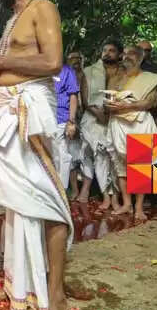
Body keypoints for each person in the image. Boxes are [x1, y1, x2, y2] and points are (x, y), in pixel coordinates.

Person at [0, 0, 71, 310]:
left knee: (47, 200)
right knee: (18, 204)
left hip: (29, 114)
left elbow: (52, 63)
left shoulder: (42, 8)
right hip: (7, 112)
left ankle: (56, 294)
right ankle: (19, 286)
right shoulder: (13, 19)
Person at [104, 45, 157, 221]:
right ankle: (127, 204)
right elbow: (107, 100)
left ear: (140, 58)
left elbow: (150, 103)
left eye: (131, 54)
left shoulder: (151, 79)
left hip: (139, 123)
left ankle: (138, 207)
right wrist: (110, 106)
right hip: (118, 123)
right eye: (125, 54)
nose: (126, 57)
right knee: (120, 166)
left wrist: (128, 105)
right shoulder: (116, 77)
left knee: (141, 167)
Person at [80, 40, 123, 211]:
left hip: (118, 118)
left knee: (116, 159)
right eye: (105, 50)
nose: (107, 53)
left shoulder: (125, 72)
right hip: (93, 119)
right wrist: (98, 114)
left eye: (112, 50)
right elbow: (85, 99)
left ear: (120, 54)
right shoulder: (89, 71)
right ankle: (106, 196)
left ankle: (116, 198)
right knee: (100, 157)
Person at [53, 59, 80, 192]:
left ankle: (61, 191)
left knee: (61, 155)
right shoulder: (40, 69)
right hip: (41, 118)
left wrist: (71, 121)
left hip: (61, 119)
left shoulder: (67, 71)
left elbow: (73, 96)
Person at [66, 51, 90, 201]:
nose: (76, 61)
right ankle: (74, 189)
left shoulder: (89, 75)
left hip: (88, 118)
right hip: (69, 119)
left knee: (87, 155)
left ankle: (86, 190)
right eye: (72, 58)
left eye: (78, 58)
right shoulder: (63, 76)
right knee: (71, 155)